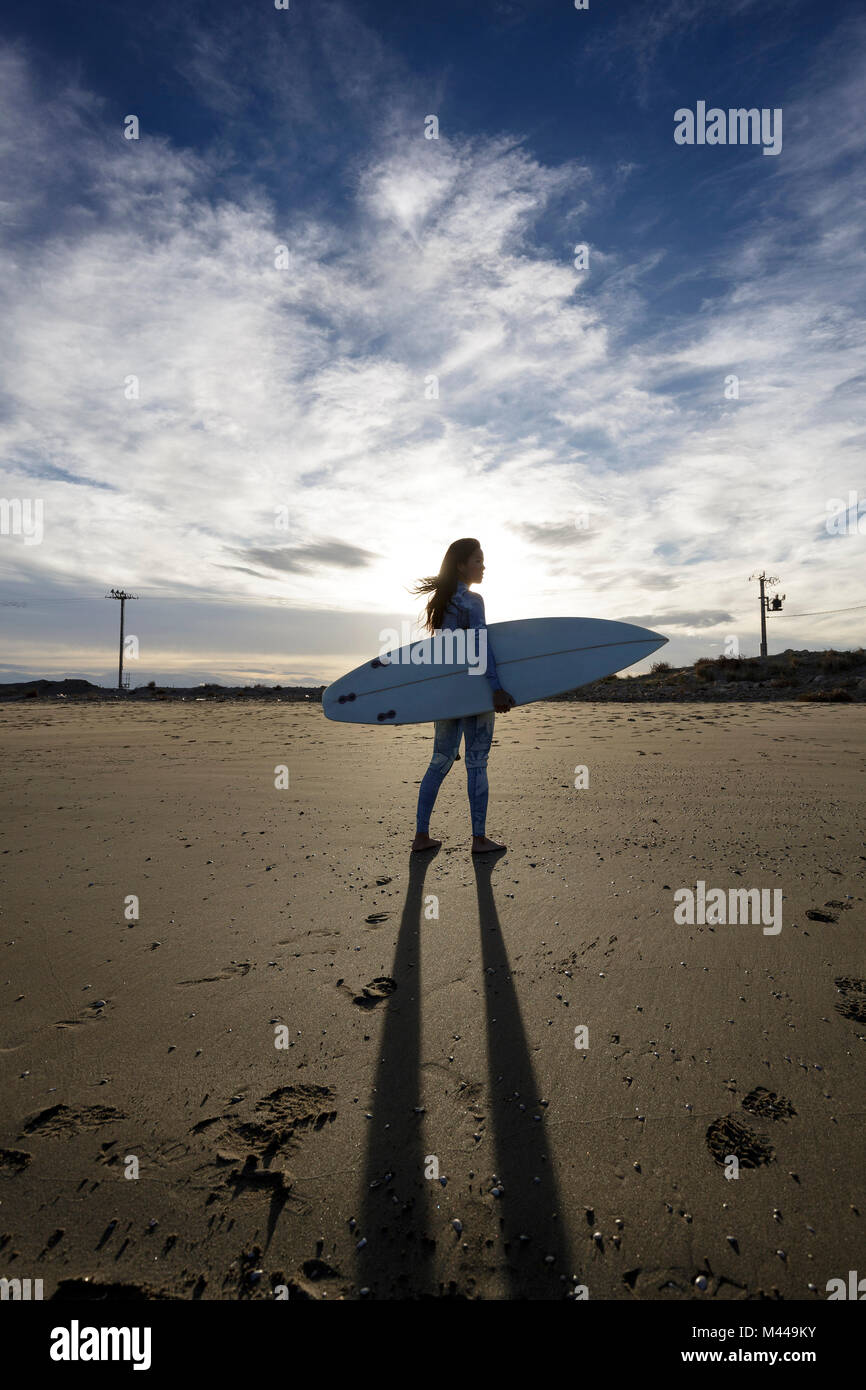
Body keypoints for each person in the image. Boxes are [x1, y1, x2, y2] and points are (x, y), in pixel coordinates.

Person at [410, 538, 515, 854]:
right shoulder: (473, 601)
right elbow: (480, 647)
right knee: (477, 762)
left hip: (449, 694)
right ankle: (479, 840)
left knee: (439, 761)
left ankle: (421, 836)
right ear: (461, 565)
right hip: (476, 691)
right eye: (478, 561)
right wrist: (496, 687)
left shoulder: (440, 605)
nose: (483, 567)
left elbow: (442, 655)